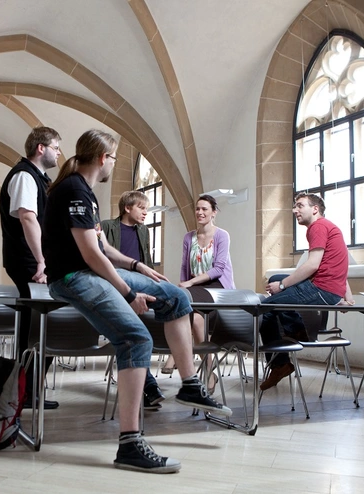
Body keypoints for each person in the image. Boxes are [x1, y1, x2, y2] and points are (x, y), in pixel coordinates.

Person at [44, 129, 231, 474]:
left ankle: (190, 385)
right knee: (135, 337)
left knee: (176, 296)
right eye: (113, 158)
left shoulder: (84, 191)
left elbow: (102, 247)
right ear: (104, 158)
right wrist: (129, 292)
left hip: (91, 271)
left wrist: (138, 265)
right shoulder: (73, 189)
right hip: (73, 277)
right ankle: (130, 444)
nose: (113, 164)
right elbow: (90, 254)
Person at [259, 192, 354, 391]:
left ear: (315, 209)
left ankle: (280, 364)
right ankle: (297, 330)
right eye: (295, 206)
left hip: (320, 289)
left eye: (300, 205)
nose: (295, 210)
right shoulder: (330, 227)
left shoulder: (317, 226)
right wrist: (348, 299)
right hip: (330, 291)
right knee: (276, 279)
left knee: (263, 310)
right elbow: (340, 266)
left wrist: (283, 286)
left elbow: (312, 266)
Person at [0, 126, 62, 410]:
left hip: (32, 259)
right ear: (41, 148)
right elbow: (27, 218)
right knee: (36, 327)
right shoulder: (25, 175)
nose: (59, 152)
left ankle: (27, 391)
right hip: (29, 260)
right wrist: (41, 260)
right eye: (56, 147)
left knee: (38, 325)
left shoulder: (38, 177)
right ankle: (24, 392)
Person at [100, 190, 165, 411]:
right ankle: (150, 388)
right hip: (116, 287)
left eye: (147, 208)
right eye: (142, 208)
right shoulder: (107, 226)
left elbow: (144, 259)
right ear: (127, 208)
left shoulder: (144, 231)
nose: (146, 212)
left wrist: (153, 279)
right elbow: (102, 256)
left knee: (139, 335)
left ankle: (145, 390)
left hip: (140, 286)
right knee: (133, 336)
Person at [163, 195, 235, 392]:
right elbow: (185, 266)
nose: (200, 213)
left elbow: (219, 268)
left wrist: (190, 283)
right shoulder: (189, 237)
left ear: (214, 212)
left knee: (187, 304)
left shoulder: (222, 235)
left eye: (205, 209)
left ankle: (174, 354)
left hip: (216, 286)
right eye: (197, 209)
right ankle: (209, 373)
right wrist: (183, 285)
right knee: (194, 320)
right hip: (195, 287)